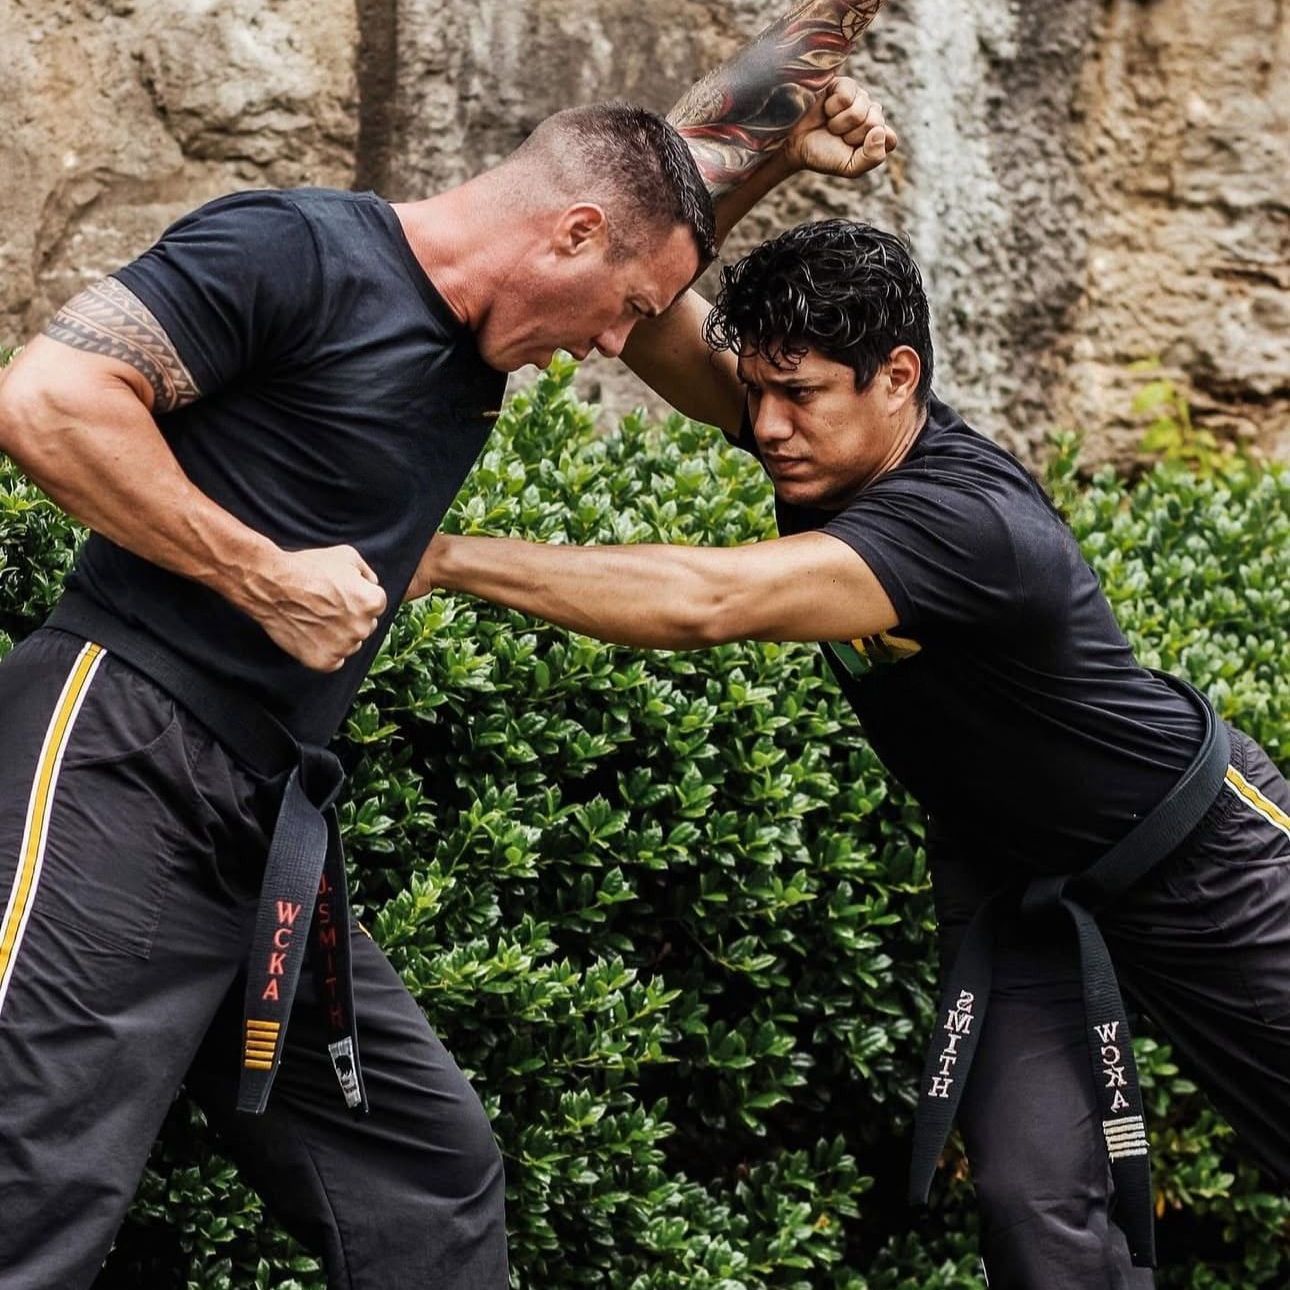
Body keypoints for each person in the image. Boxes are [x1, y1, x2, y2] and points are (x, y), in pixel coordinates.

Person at [0, 40, 896, 1282]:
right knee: (30, 1186)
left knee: (424, 1181)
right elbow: (47, 398)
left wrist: (788, 120)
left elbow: (656, 180)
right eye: (630, 310)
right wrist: (260, 573)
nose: (613, 347)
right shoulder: (295, 250)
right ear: (571, 236)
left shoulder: (485, 335)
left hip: (266, 820)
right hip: (116, 754)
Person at [411, 218, 1290, 1288]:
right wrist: (780, 136)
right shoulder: (822, 434)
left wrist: (447, 555)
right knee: (1032, 1206)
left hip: (1206, 859)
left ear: (898, 378)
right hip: (1014, 886)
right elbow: (642, 292)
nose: (767, 427)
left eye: (801, 396)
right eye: (758, 392)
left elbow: (710, 601)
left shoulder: (962, 522)